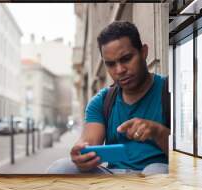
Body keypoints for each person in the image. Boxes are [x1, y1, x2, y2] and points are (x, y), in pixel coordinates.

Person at [47, 21, 170, 175]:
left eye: (126, 59)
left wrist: (157, 131)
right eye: (111, 64)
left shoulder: (169, 91)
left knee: (157, 171)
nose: (119, 70)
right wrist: (81, 154)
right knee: (61, 167)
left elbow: (187, 155)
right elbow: (89, 143)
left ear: (144, 52)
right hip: (113, 176)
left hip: (156, 176)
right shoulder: (102, 101)